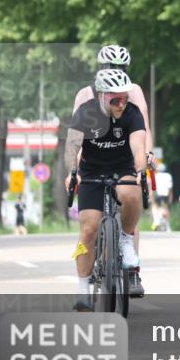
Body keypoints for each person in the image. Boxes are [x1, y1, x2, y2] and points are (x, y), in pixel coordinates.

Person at [73, 45, 153, 297]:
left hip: (124, 156)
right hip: (93, 159)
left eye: (121, 67)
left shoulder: (133, 91)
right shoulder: (85, 93)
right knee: (89, 228)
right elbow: (77, 137)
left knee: (131, 201)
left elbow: (142, 127)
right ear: (101, 68)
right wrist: (73, 169)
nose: (117, 71)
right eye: (111, 67)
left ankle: (132, 271)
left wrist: (146, 158)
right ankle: (85, 282)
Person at [153, 165, 173, 232]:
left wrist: (151, 196)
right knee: (166, 208)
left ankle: (157, 220)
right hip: (166, 194)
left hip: (158, 194)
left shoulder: (155, 175)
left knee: (155, 206)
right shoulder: (168, 176)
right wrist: (171, 196)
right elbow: (170, 188)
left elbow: (153, 187)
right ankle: (167, 225)